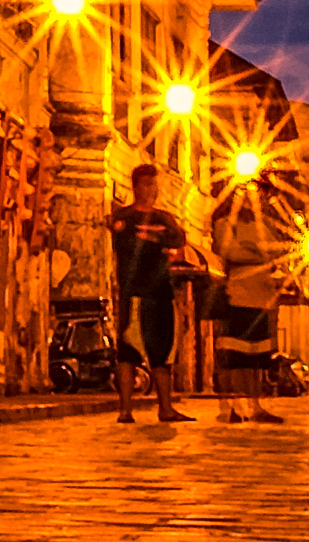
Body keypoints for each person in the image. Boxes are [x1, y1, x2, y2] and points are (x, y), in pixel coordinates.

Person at [102, 162, 194, 422]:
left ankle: (166, 408)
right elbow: (123, 242)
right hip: (134, 292)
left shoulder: (164, 219)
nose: (151, 189)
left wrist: (156, 243)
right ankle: (125, 410)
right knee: (128, 350)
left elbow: (178, 239)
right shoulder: (124, 217)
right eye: (146, 184)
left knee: (162, 351)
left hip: (161, 292)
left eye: (153, 184)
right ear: (136, 186)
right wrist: (154, 242)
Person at [207, 196, 296, 423]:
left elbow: (277, 250)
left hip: (262, 298)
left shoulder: (263, 226)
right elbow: (229, 251)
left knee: (257, 358)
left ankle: (255, 406)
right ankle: (235, 406)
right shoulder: (225, 224)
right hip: (237, 296)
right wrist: (259, 254)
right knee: (236, 356)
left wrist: (253, 251)